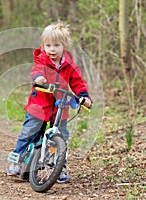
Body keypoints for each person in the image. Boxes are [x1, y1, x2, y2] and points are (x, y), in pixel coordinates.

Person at [7, 21, 92, 183]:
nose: (52, 49)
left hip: (60, 108)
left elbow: (78, 82)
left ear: (64, 46)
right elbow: (36, 70)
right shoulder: (42, 61)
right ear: (43, 46)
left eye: (56, 45)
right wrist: (39, 79)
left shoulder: (69, 65)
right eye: (48, 45)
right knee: (29, 132)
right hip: (39, 106)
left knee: (61, 136)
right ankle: (16, 161)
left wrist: (83, 96)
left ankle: (59, 167)